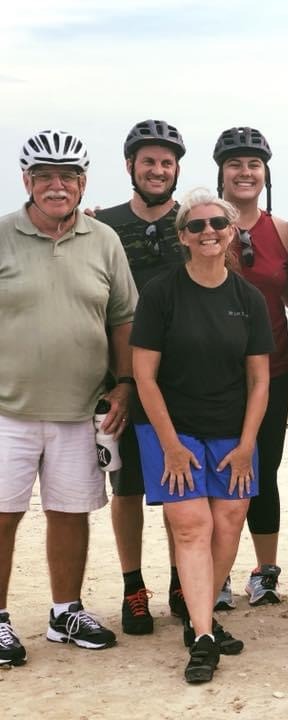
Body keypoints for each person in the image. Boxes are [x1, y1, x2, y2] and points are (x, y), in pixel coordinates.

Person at [0, 130, 134, 667]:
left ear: (83, 183)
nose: (57, 186)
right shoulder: (2, 235)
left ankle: (65, 612)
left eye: (68, 177)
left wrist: (124, 383)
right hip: (7, 408)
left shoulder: (104, 239)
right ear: (26, 181)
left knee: (70, 512)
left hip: (82, 409)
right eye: (45, 177)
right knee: (3, 516)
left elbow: (123, 317)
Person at [131, 188, 273, 683]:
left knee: (229, 522)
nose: (207, 232)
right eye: (196, 226)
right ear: (183, 237)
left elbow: (260, 380)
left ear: (231, 232)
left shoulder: (248, 298)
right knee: (192, 526)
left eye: (217, 224)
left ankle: (199, 619)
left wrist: (247, 445)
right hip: (171, 429)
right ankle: (205, 639)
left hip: (233, 431)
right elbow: (144, 375)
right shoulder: (161, 293)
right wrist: (171, 446)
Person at [96, 119, 188, 634]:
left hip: (183, 382)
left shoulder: (193, 223)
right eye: (148, 161)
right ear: (130, 165)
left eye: (166, 162)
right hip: (121, 381)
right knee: (127, 488)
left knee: (180, 487)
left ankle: (181, 582)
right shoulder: (102, 226)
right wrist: (123, 380)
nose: (157, 170)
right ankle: (134, 587)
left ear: (177, 169)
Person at [214, 126, 288, 608]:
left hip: (275, 369)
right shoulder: (204, 222)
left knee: (265, 471)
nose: (245, 172)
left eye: (254, 164)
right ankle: (216, 574)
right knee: (216, 474)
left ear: (265, 173)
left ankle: (265, 573)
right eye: (235, 164)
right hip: (214, 375)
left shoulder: (280, 230)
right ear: (221, 172)